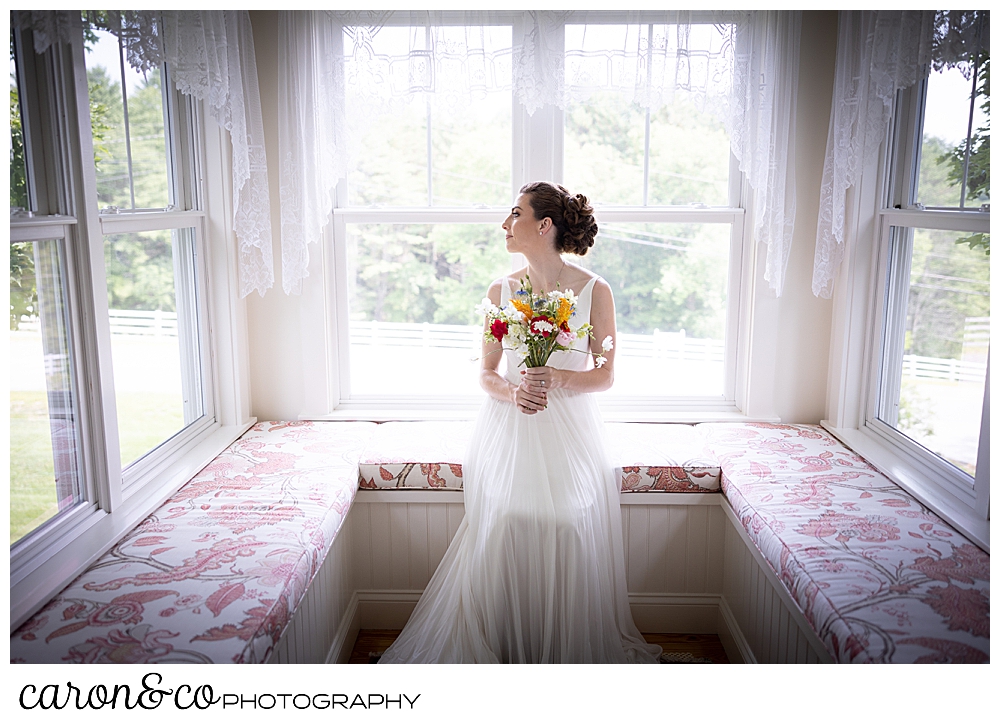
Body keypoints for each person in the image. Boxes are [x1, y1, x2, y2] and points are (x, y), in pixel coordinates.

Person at [378, 182, 662, 663]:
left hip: (570, 435)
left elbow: (606, 375)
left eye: (515, 214)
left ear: (544, 225)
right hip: (509, 431)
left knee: (568, 526)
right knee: (505, 523)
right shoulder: (501, 291)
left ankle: (562, 648)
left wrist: (556, 377)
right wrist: (515, 392)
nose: (505, 224)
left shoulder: (595, 290)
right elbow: (486, 373)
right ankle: (505, 642)